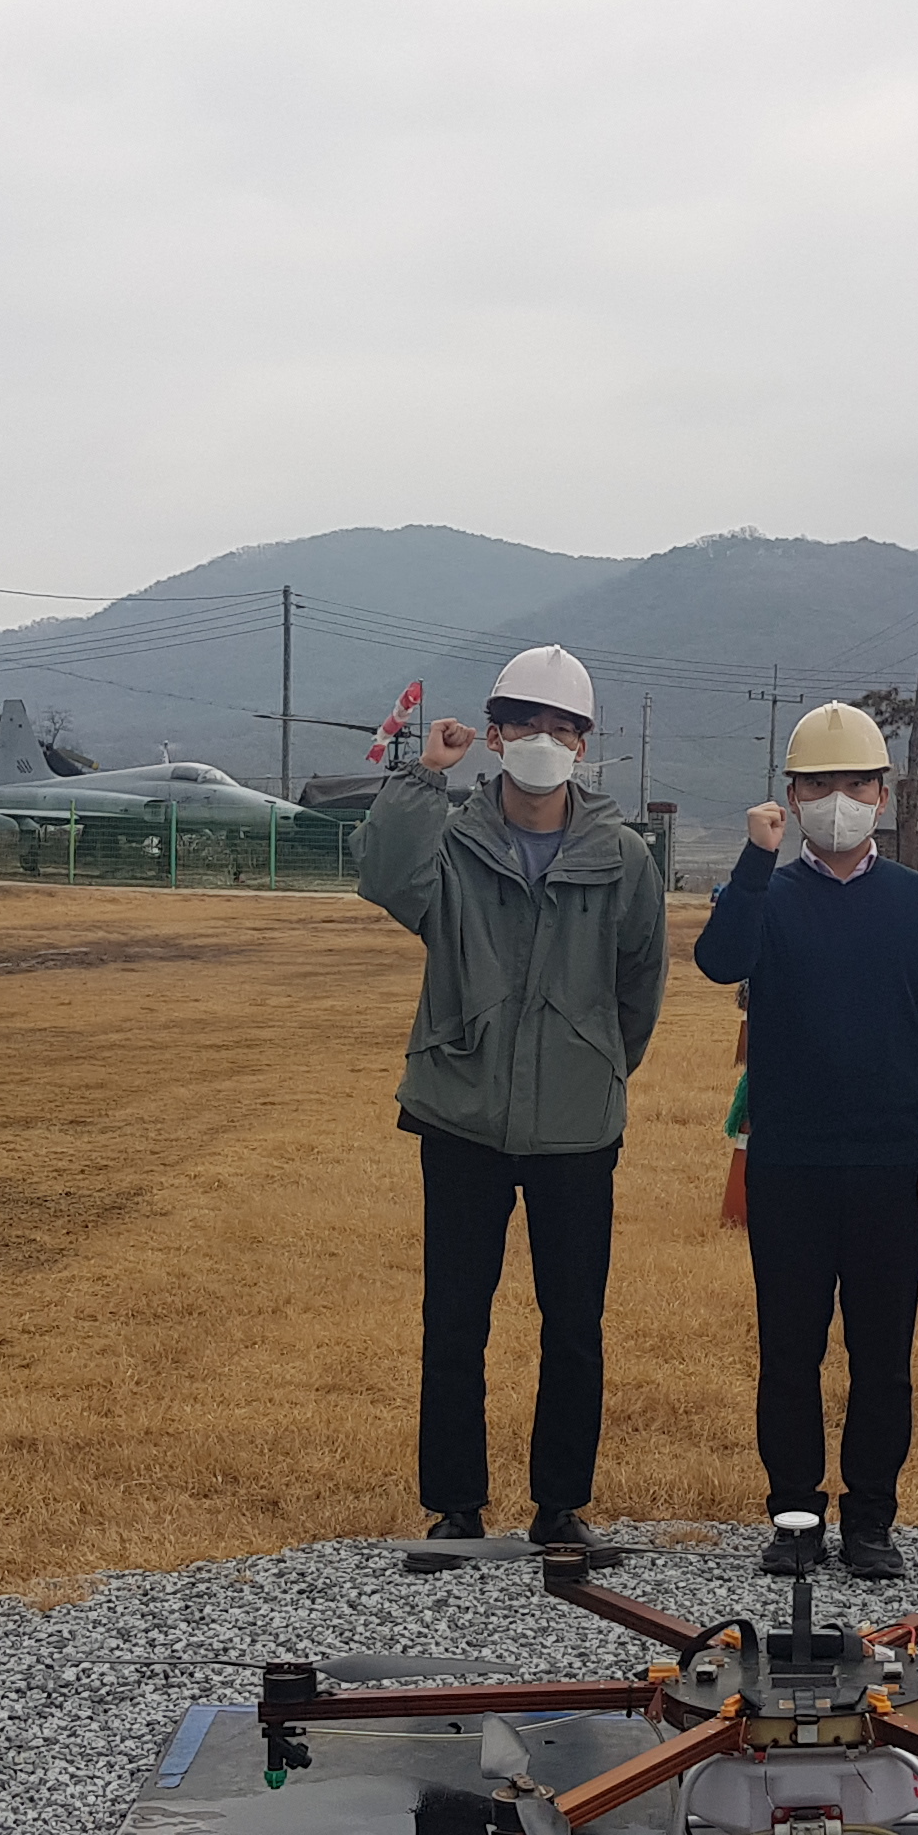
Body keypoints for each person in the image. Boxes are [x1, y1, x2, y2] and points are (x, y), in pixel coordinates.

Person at [356, 644, 668, 1559]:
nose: (543, 739)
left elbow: (640, 984)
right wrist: (424, 776)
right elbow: (383, 877)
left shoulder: (622, 856)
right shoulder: (450, 842)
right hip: (461, 1112)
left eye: (562, 727)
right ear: (493, 736)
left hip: (577, 1125)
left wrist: (595, 1063)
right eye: (525, 723)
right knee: (455, 1319)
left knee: (574, 1324)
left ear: (584, 744)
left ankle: (560, 1507)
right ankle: (455, 1507)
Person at [692, 701, 918, 1582]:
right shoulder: (766, 896)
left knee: (884, 1357)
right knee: (789, 1354)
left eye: (856, 784)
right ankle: (795, 1517)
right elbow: (719, 961)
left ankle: (872, 1520)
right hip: (788, 1163)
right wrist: (754, 861)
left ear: (883, 795)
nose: (838, 800)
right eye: (818, 785)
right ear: (791, 797)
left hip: (893, 1164)